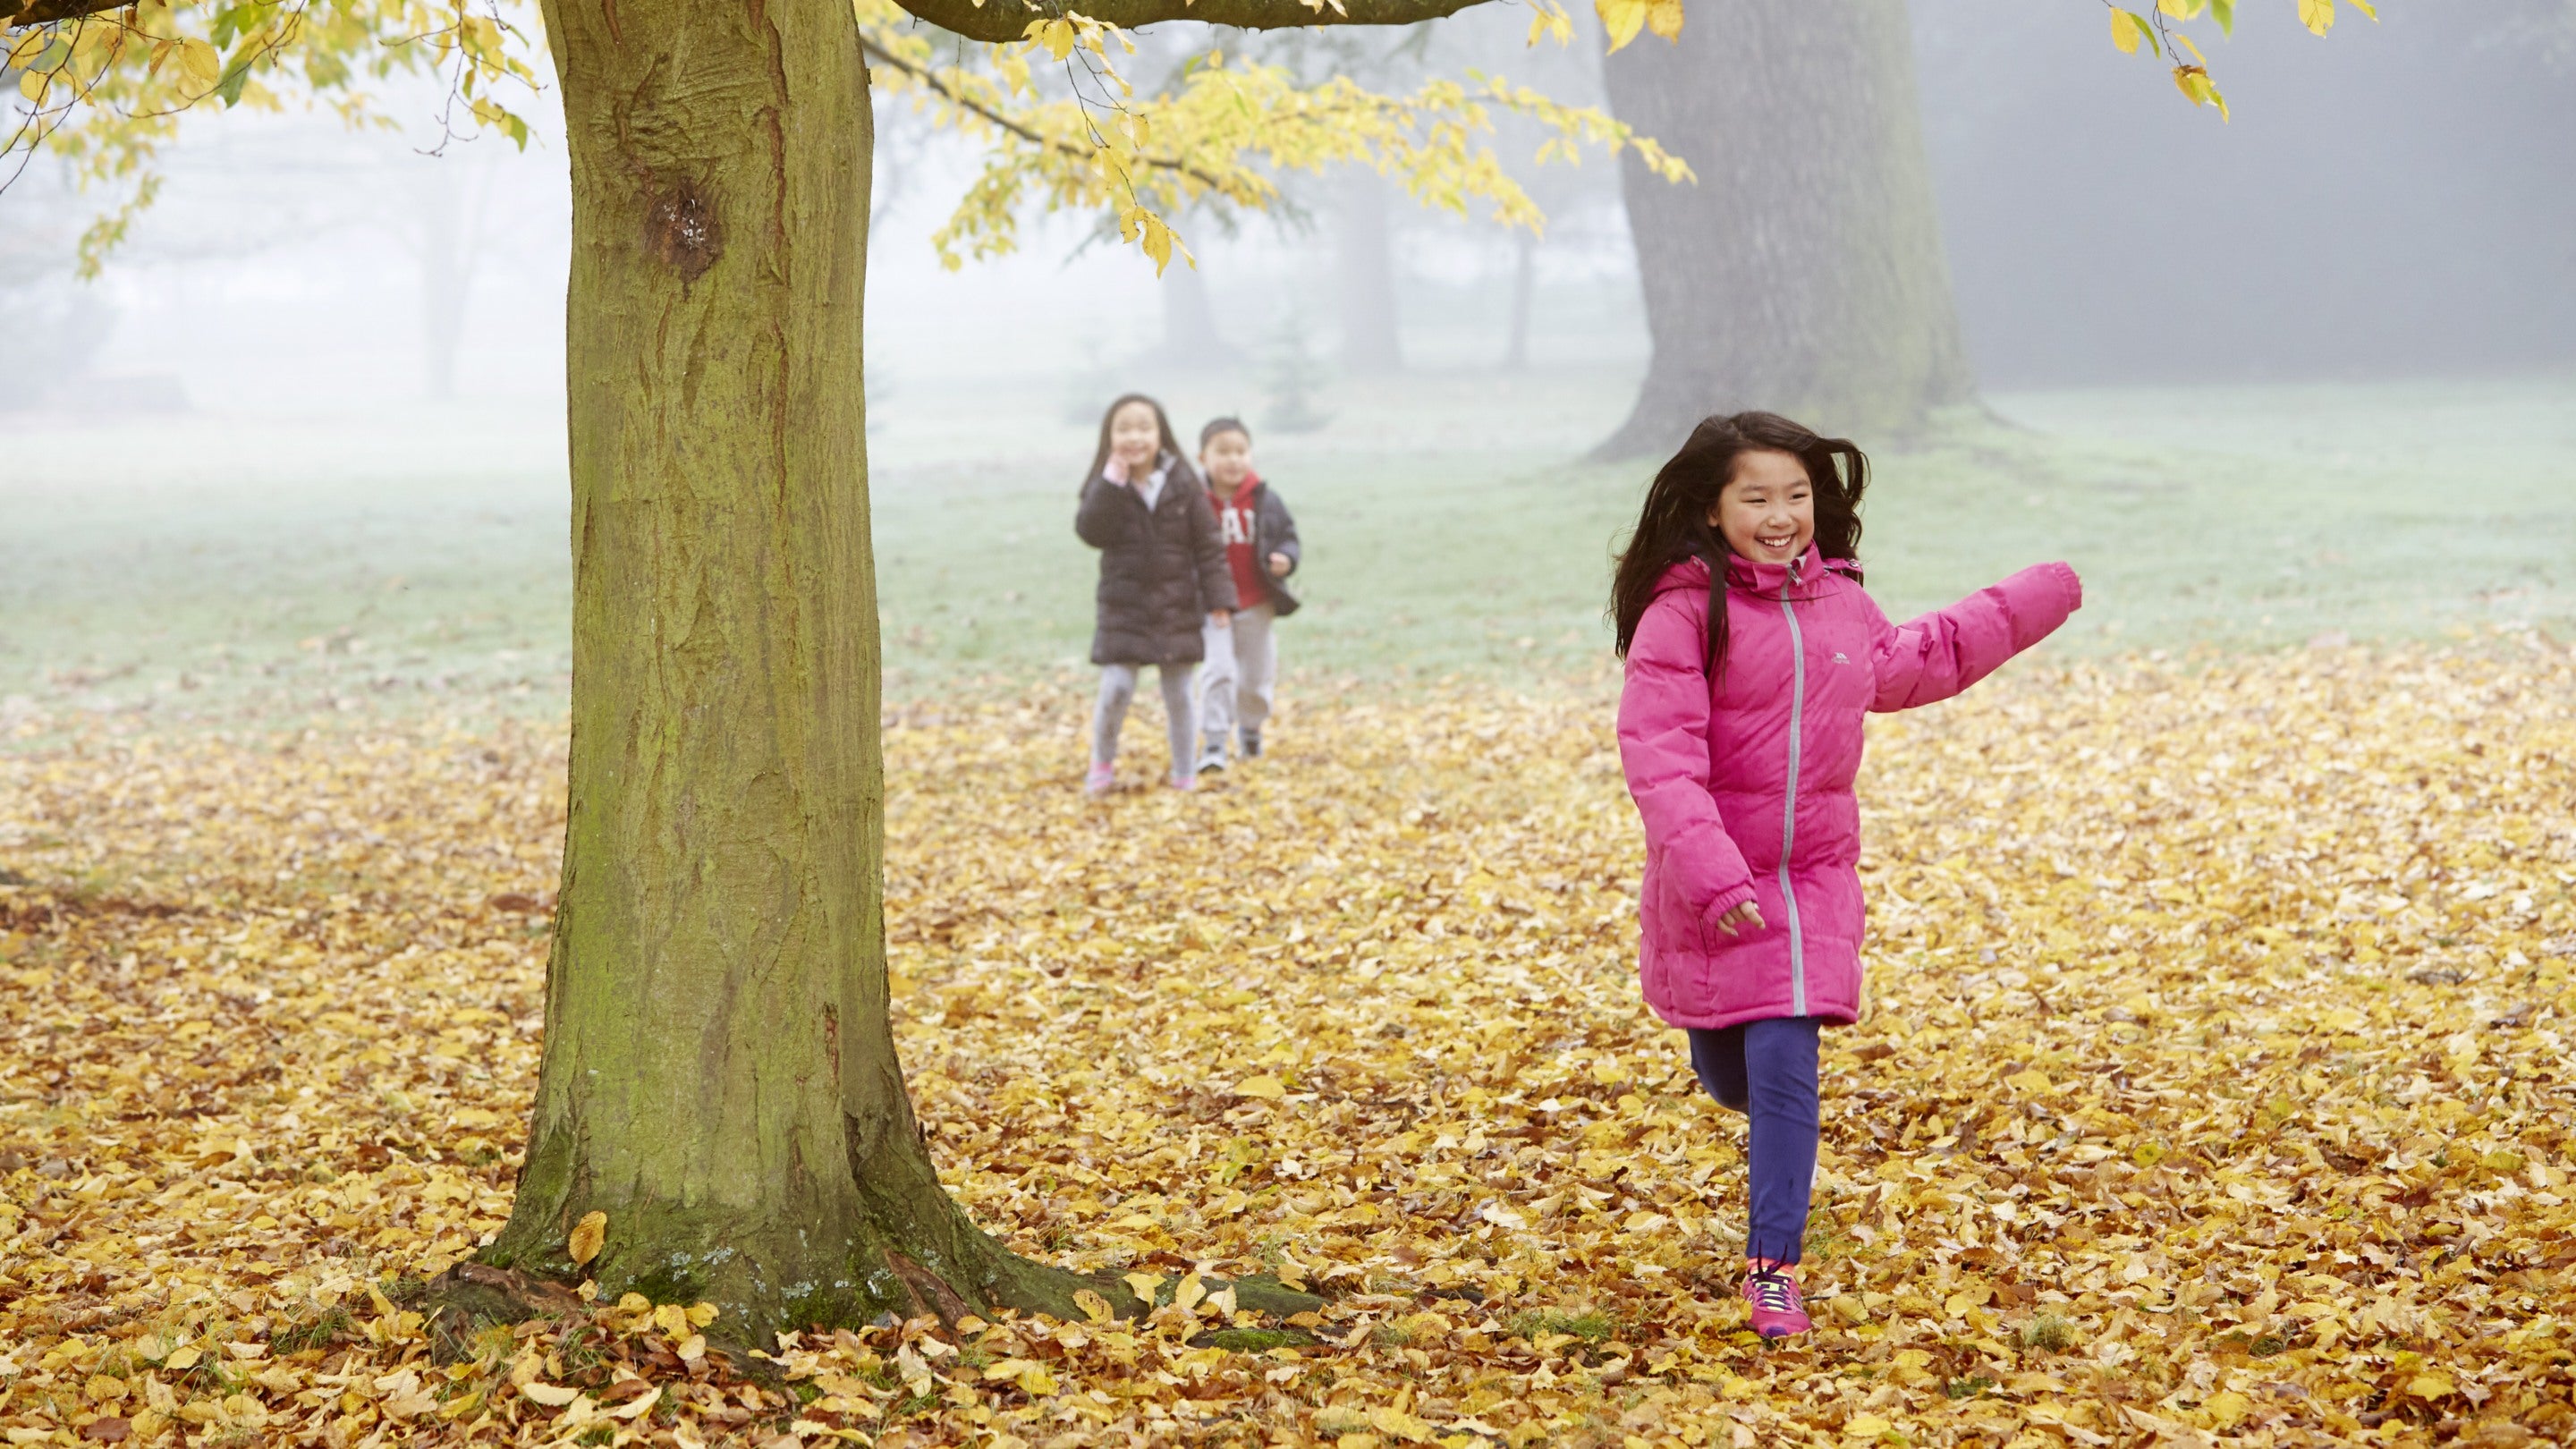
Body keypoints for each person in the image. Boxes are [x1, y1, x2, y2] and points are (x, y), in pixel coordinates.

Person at [1610, 411, 2081, 1338]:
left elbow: (1922, 659)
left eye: (1796, 496)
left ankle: (1772, 1266)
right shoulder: (1683, 614)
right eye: (1758, 497)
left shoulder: (1838, 605)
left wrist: (2040, 594)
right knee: (1730, 1071)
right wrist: (1712, 876)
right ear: (1713, 509)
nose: (1782, 515)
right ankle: (1759, 1100)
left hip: (1814, 879)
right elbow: (1659, 757)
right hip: (1716, 882)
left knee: (1788, 1061)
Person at [1076, 394, 1237, 796]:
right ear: (1109, 436)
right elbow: (1090, 532)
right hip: (1123, 607)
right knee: (1117, 687)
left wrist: (1219, 598)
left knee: (1180, 693)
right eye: (1124, 428)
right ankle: (1102, 763)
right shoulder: (1106, 483)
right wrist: (1112, 484)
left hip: (1177, 605)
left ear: (1160, 434)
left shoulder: (1182, 482)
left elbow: (1208, 545)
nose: (1135, 437)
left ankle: (1185, 772)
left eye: (1144, 427)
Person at [1192, 417, 1301, 772]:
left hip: (1256, 601)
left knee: (1255, 675)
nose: (1233, 459)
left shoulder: (1265, 500)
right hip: (1212, 606)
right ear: (1202, 458)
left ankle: (1251, 729)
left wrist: (1286, 559)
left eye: (1240, 451)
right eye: (1222, 452)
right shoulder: (1195, 505)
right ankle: (1213, 742)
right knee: (1219, 670)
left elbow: (1287, 536)